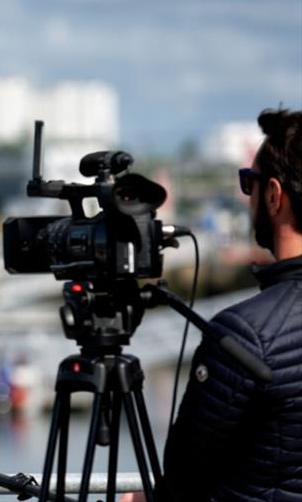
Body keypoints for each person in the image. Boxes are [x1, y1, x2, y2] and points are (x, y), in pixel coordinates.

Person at [122, 108, 302, 501]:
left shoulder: (244, 334)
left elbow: (184, 472)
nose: (247, 196)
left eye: (247, 183)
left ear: (273, 195)